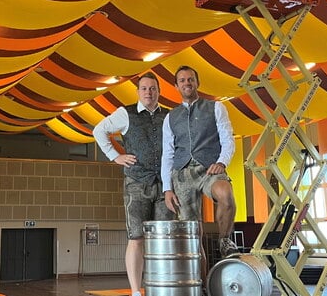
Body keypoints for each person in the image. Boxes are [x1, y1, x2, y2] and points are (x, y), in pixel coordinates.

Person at [92, 72, 174, 296]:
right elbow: (99, 130)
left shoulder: (169, 116)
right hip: (136, 183)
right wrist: (114, 156)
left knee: (163, 238)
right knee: (136, 237)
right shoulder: (125, 113)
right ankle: (137, 291)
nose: (149, 92)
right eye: (145, 88)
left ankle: (162, 287)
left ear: (159, 91)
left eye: (153, 88)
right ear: (138, 92)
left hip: (165, 185)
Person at [161, 65, 238, 266]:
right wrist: (167, 189)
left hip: (209, 168)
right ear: (176, 86)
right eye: (182, 80)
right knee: (192, 238)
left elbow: (228, 139)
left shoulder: (216, 107)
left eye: (190, 79)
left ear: (197, 82)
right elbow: (167, 154)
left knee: (226, 195)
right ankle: (201, 286)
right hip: (182, 174)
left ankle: (225, 241)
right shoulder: (170, 117)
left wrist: (222, 162)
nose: (187, 83)